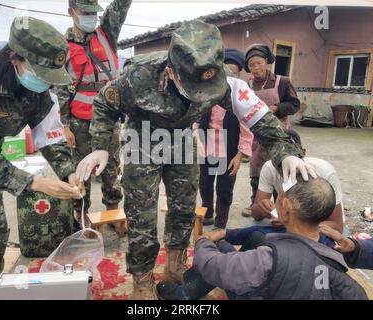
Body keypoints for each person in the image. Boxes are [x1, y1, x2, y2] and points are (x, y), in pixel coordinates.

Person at [76, 20, 316, 299]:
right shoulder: (139, 75)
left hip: (181, 139)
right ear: (171, 71)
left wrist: (285, 153)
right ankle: (141, 278)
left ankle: (175, 269)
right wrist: (102, 146)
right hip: (141, 139)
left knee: (184, 207)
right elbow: (105, 103)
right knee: (142, 213)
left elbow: (260, 118)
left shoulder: (223, 81)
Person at [0, 17, 83, 276]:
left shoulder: (35, 89)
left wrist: (69, 171)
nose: (44, 82)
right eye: (40, 74)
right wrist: (36, 183)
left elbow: (50, 131)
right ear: (14, 58)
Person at [156, 176, 368, 300]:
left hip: (264, 283)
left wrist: (203, 242)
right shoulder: (335, 256)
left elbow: (213, 265)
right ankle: (191, 283)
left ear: (285, 209)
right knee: (253, 236)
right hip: (290, 278)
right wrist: (226, 233)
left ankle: (184, 294)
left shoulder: (266, 260)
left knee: (220, 252)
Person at [55, 0, 132, 226]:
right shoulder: (61, 46)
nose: (91, 16)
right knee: (81, 173)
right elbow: (60, 88)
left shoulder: (106, 35)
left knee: (111, 169)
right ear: (71, 12)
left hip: (109, 121)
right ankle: (82, 221)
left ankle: (114, 215)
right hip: (79, 123)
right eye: (85, 12)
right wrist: (65, 126)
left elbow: (120, 7)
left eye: (93, 12)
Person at [193, 48, 253, 229]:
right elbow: (195, 119)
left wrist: (239, 155)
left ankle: (220, 224)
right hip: (207, 145)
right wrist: (197, 137)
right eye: (225, 71)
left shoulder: (241, 94)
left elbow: (247, 127)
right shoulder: (207, 92)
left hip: (229, 148)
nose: (228, 76)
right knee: (205, 183)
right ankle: (208, 213)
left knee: (225, 188)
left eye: (233, 73)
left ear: (238, 74)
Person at [242, 44, 301, 217]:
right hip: (256, 137)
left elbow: (294, 105)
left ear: (266, 62)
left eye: (259, 63)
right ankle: (257, 205)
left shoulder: (282, 81)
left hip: (279, 134)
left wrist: (276, 108)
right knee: (257, 171)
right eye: (252, 65)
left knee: (280, 170)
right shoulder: (248, 85)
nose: (256, 68)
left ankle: (282, 207)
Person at [251, 129, 344, 234]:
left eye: (293, 160)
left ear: (303, 153)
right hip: (286, 223)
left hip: (315, 228)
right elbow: (255, 214)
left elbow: (337, 226)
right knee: (253, 232)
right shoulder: (269, 167)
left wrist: (290, 222)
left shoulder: (324, 172)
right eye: (279, 163)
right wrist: (262, 209)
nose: (287, 167)